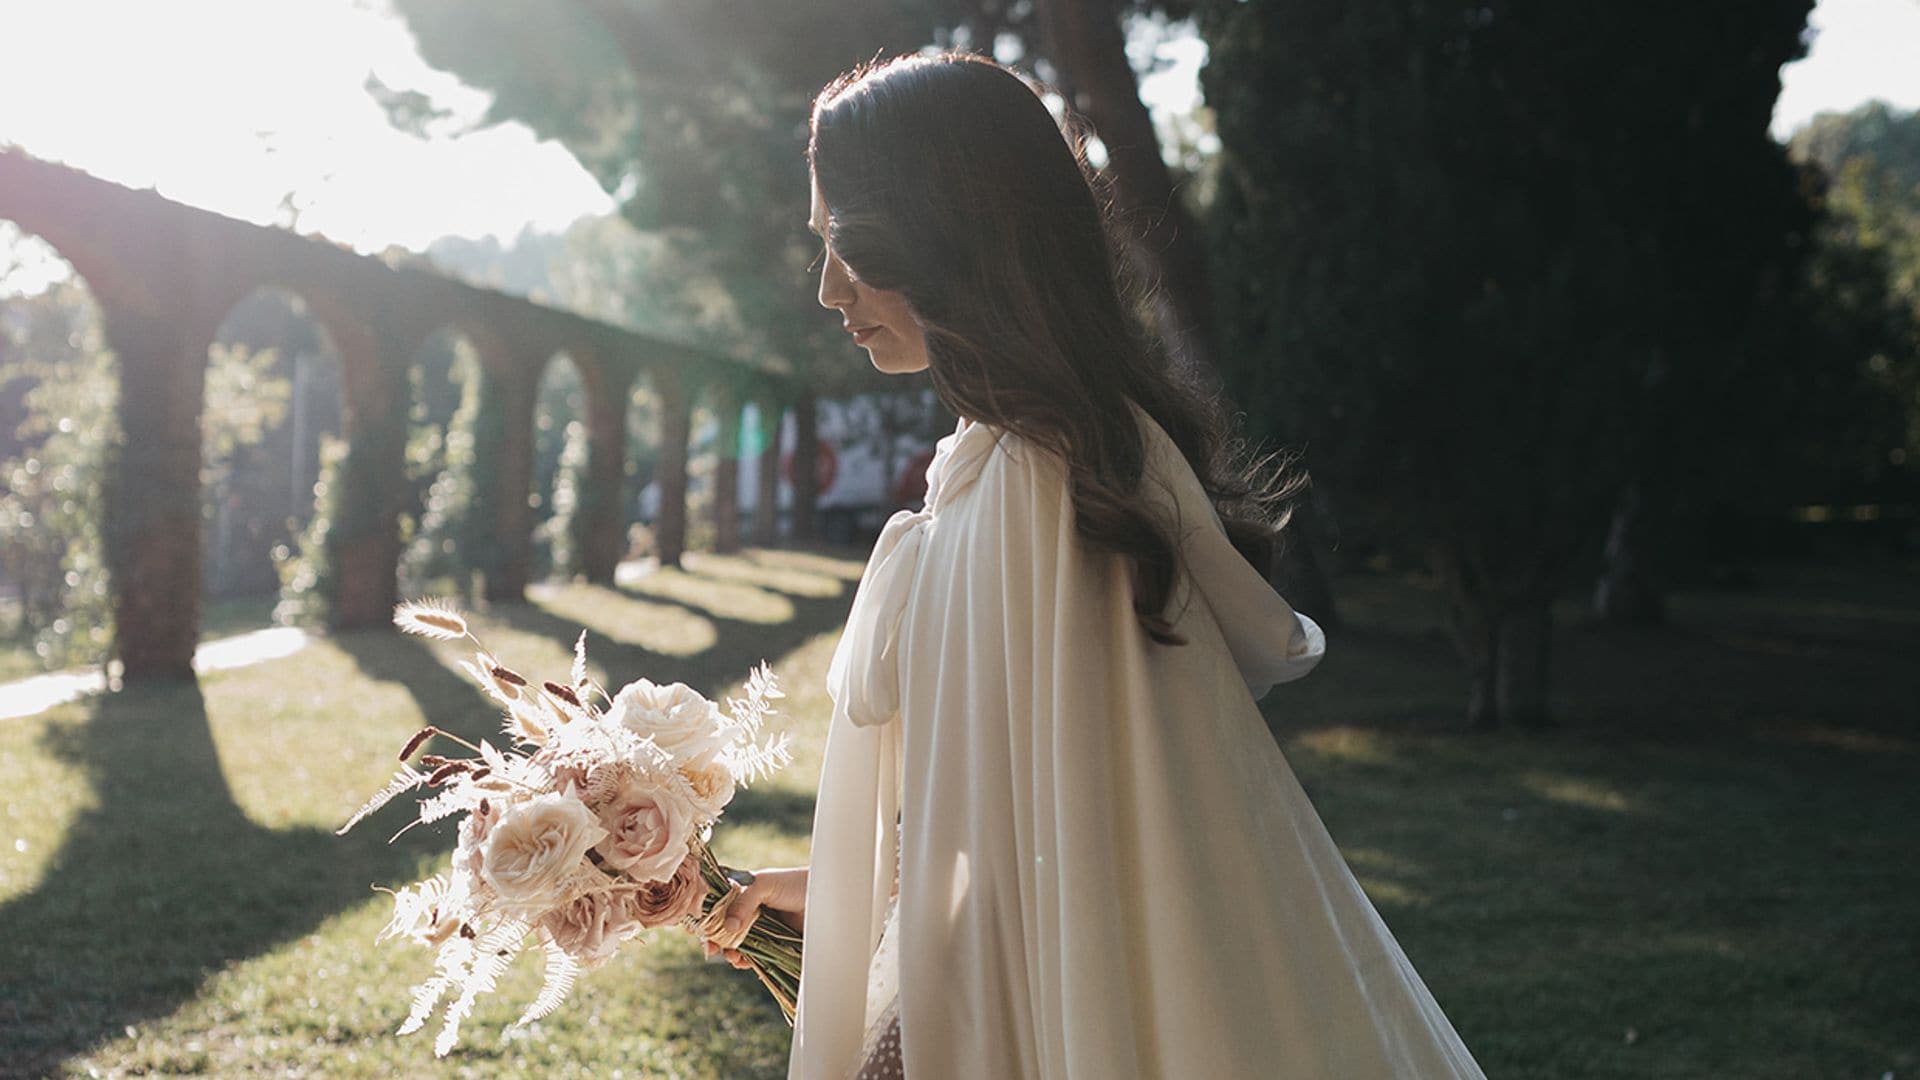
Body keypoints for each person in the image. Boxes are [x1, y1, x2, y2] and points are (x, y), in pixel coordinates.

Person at [704, 51, 1487, 1080]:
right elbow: (1026, 808)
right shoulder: (1004, 467)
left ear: (948, 228)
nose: (827, 287)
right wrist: (834, 886)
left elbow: (1104, 858)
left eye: (849, 243)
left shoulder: (1044, 482)